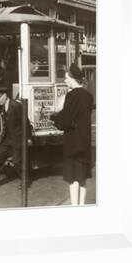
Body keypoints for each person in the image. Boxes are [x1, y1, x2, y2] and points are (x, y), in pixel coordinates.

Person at [50, 64, 94, 206]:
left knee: (73, 178)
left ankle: (74, 207)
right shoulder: (88, 96)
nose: (65, 80)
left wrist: (53, 117)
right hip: (85, 142)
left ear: (73, 78)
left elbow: (65, 121)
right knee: (82, 178)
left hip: (73, 142)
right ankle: (82, 206)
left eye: (66, 78)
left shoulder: (71, 96)